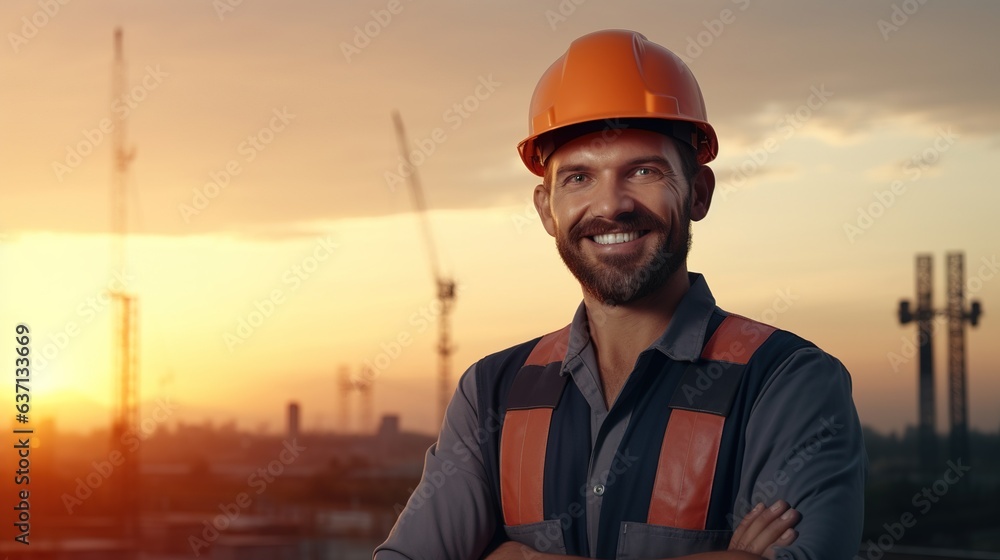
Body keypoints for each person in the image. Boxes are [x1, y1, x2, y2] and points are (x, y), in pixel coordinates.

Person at [374, 29, 866, 560]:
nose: (611, 205)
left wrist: (514, 556)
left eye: (642, 170)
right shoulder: (491, 393)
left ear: (698, 192)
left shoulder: (787, 382)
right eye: (579, 177)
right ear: (546, 210)